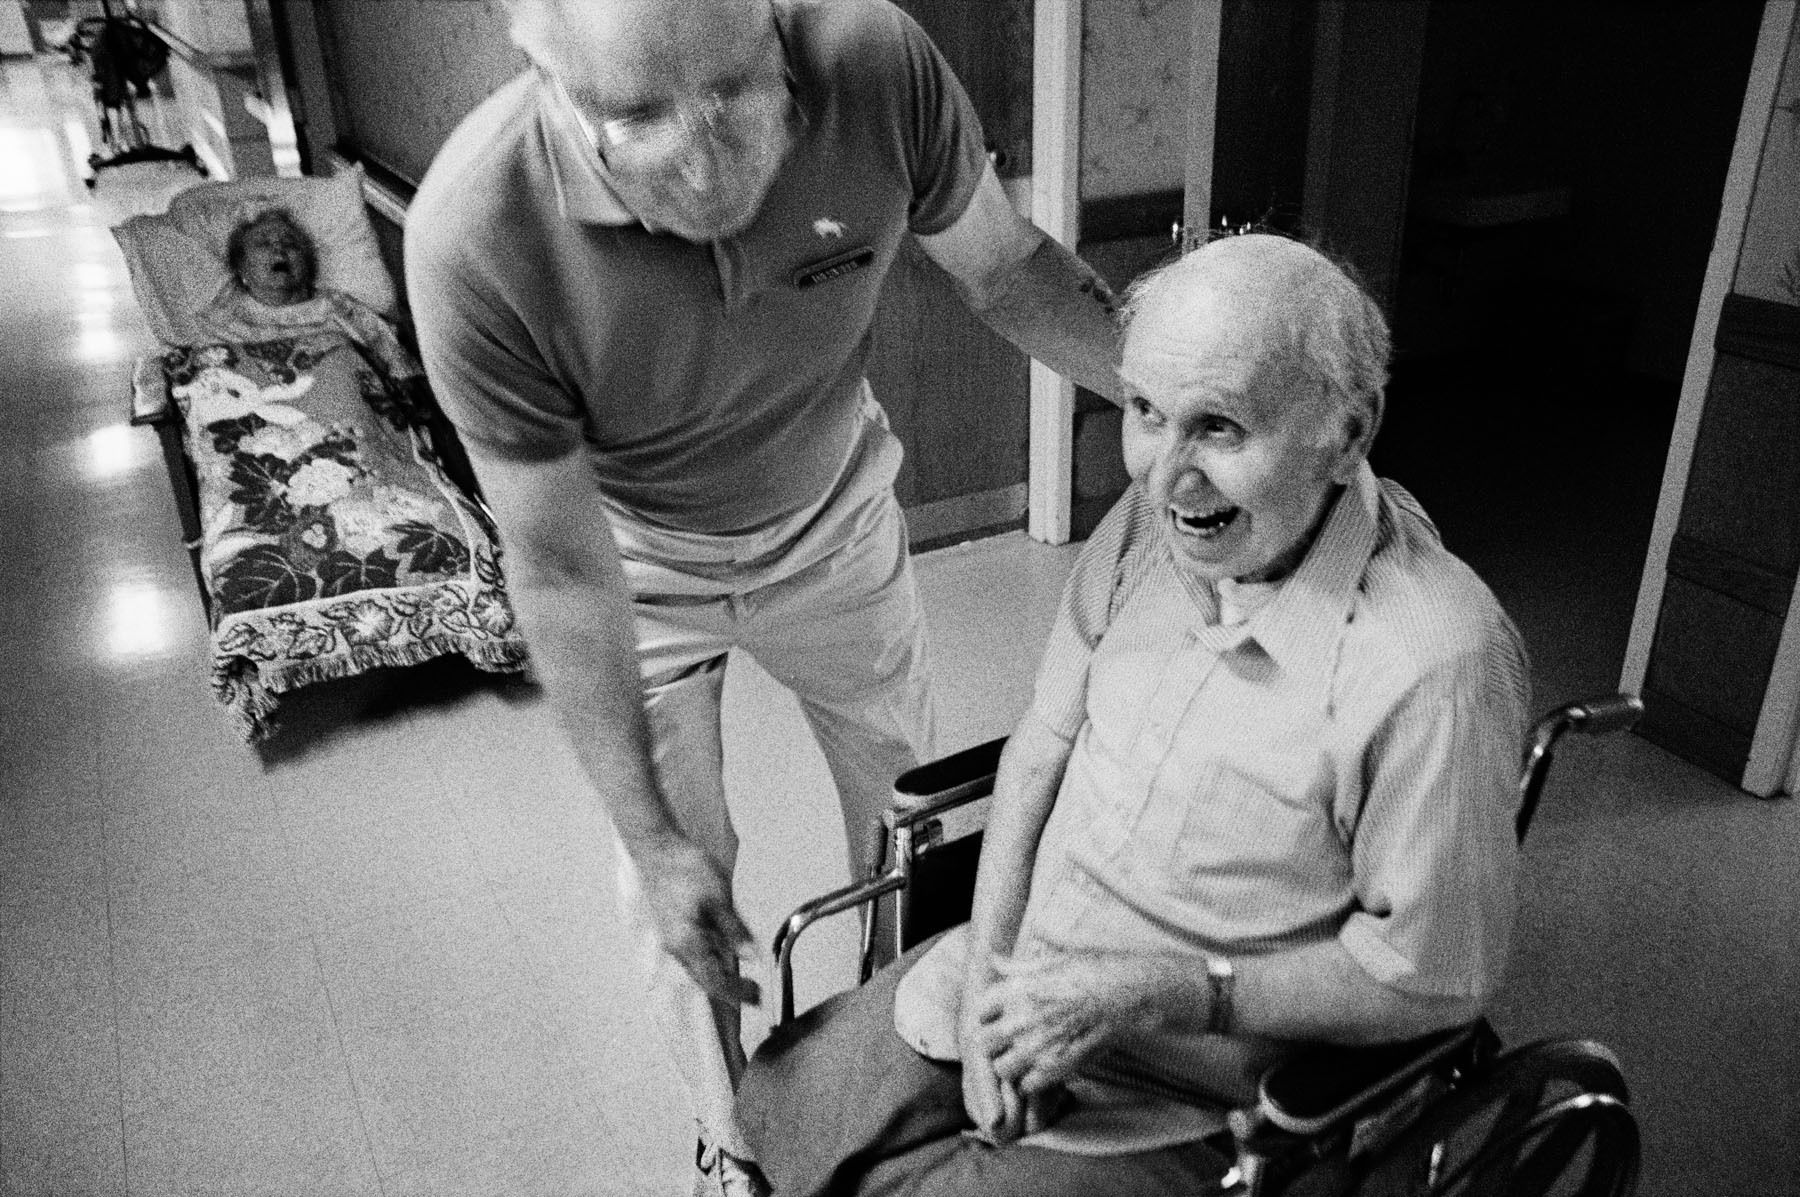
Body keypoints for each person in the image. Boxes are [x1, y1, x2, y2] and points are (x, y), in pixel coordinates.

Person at [401, 1, 1123, 1191]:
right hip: (638, 568)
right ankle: (730, 1139)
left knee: (908, 814)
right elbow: (561, 570)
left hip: (834, 517)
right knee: (676, 882)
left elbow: (1007, 271)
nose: (704, 156)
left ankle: (894, 1063)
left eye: (738, 88)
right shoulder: (475, 236)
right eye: (637, 115)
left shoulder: (879, 64)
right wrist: (649, 836)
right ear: (536, 67)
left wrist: (1191, 397)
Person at [735, 232, 1533, 1197]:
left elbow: (1434, 976)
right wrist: (992, 971)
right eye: (1146, 411)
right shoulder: (1153, 530)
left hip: (1207, 1084)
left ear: (1348, 432)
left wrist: (1157, 991)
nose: (1163, 475)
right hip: (1033, 978)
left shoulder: (1432, 662)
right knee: (777, 1098)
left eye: (1221, 428)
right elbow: (1041, 745)